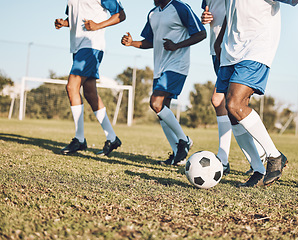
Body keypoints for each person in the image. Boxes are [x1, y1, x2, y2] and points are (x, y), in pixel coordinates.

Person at [121, 0, 206, 165]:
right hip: (159, 68)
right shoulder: (153, 13)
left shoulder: (180, 8)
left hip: (177, 66)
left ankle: (184, 141)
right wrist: (132, 43)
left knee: (156, 103)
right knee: (162, 112)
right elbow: (150, 41)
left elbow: (201, 33)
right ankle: (177, 155)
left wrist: (177, 46)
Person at [215, 0, 288, 187]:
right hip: (230, 49)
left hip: (256, 47)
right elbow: (233, 11)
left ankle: (274, 156)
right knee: (231, 112)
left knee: (234, 104)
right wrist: (220, 38)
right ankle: (258, 169)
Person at [200, 0, 266, 176]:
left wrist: (221, 42)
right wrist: (205, 18)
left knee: (228, 103)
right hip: (217, 49)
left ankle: (229, 158)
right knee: (232, 106)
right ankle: (258, 157)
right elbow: (212, 14)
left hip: (233, 47)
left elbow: (236, 13)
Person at [54, 0, 126, 156]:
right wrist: (64, 23)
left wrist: (97, 25)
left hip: (92, 45)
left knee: (72, 86)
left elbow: (121, 15)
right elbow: (75, 18)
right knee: (90, 93)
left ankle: (79, 139)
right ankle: (112, 138)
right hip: (77, 47)